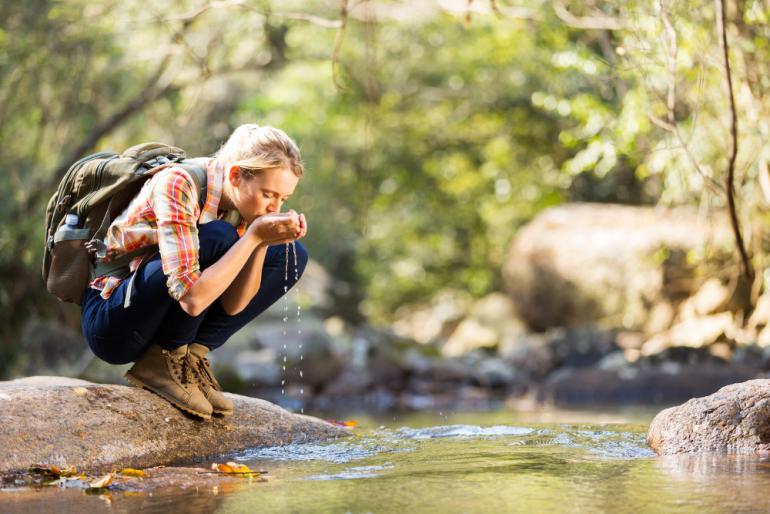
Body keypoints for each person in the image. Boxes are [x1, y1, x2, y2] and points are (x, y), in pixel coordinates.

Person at [80, 124, 308, 420]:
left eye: (283, 200)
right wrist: (251, 238)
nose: (274, 207)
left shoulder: (237, 205)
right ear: (236, 175)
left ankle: (190, 358)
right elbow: (192, 300)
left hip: (156, 312)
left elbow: (234, 305)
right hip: (112, 322)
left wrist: (262, 242)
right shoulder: (178, 183)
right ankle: (165, 359)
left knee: (290, 255)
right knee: (220, 238)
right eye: (268, 194)